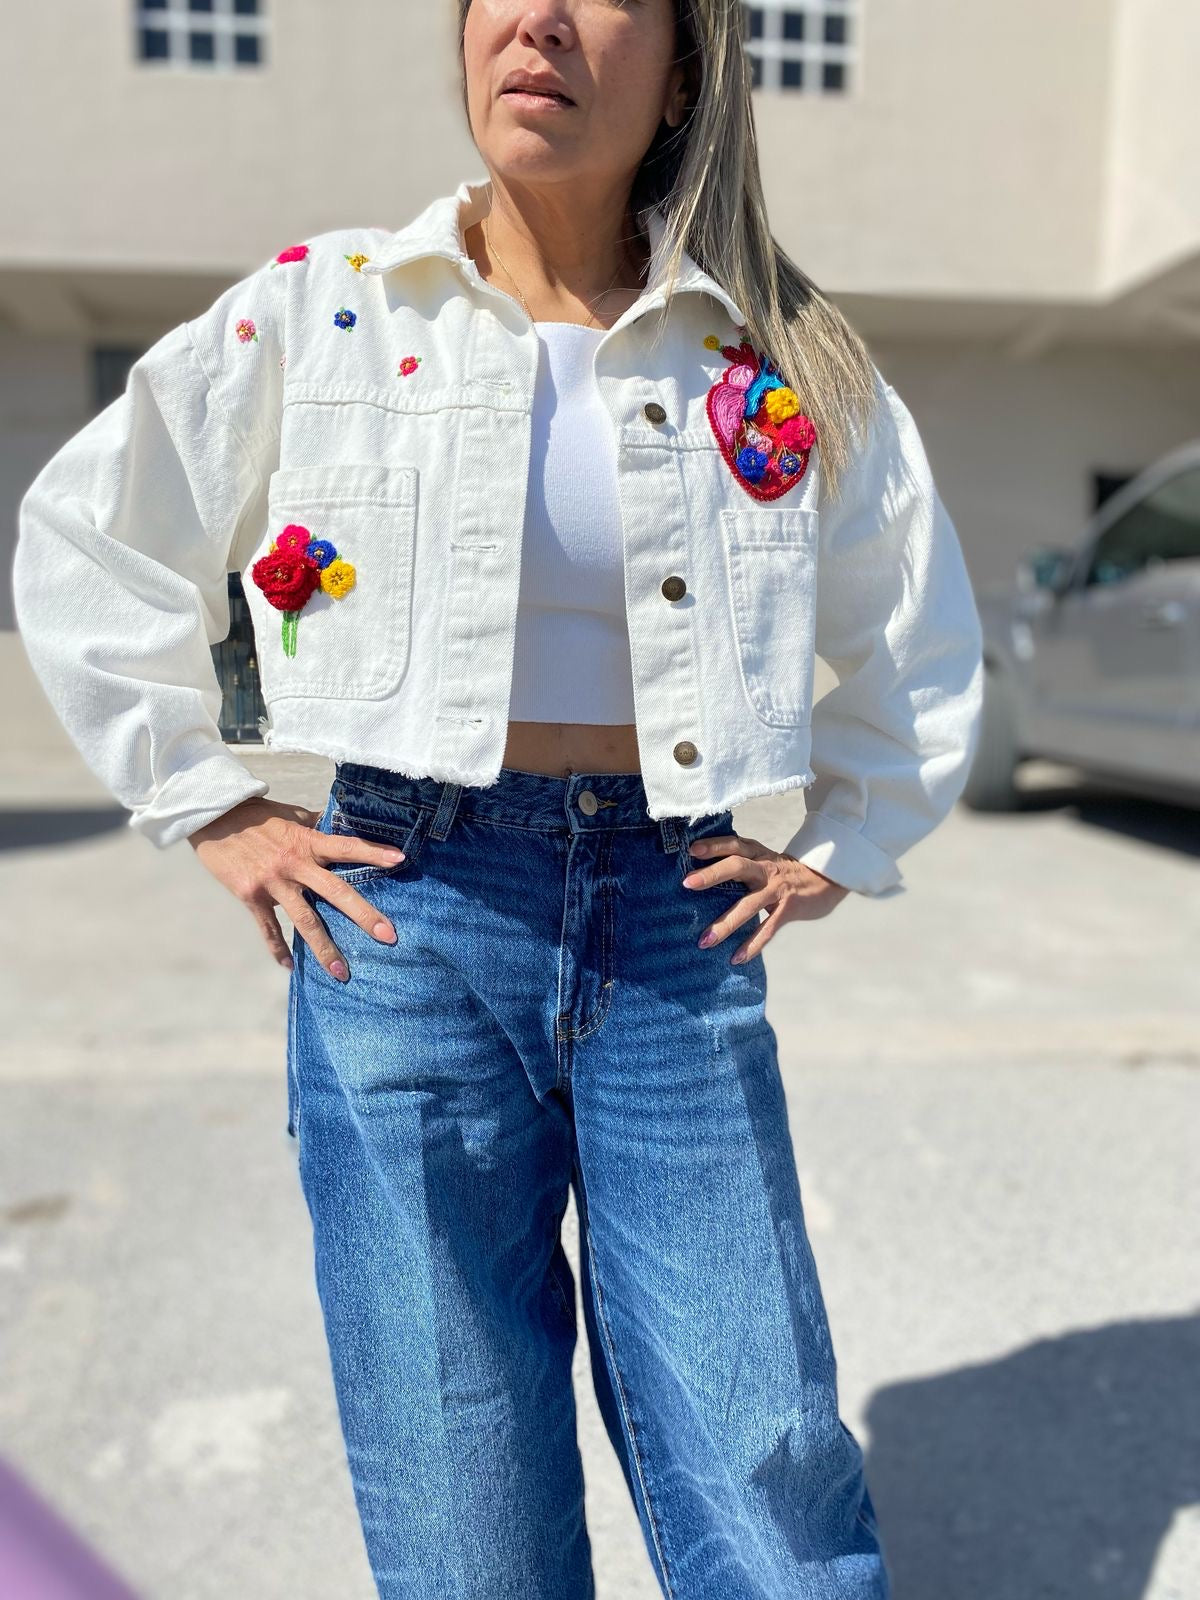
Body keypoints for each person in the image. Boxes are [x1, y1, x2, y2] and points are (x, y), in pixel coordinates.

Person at [12, 2, 984, 1595]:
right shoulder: (327, 309)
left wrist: (842, 840)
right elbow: (90, 534)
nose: (536, 19)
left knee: (764, 1450)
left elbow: (913, 616)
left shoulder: (767, 352)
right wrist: (211, 804)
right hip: (407, 914)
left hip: (676, 921)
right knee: (455, 1459)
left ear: (683, 64)